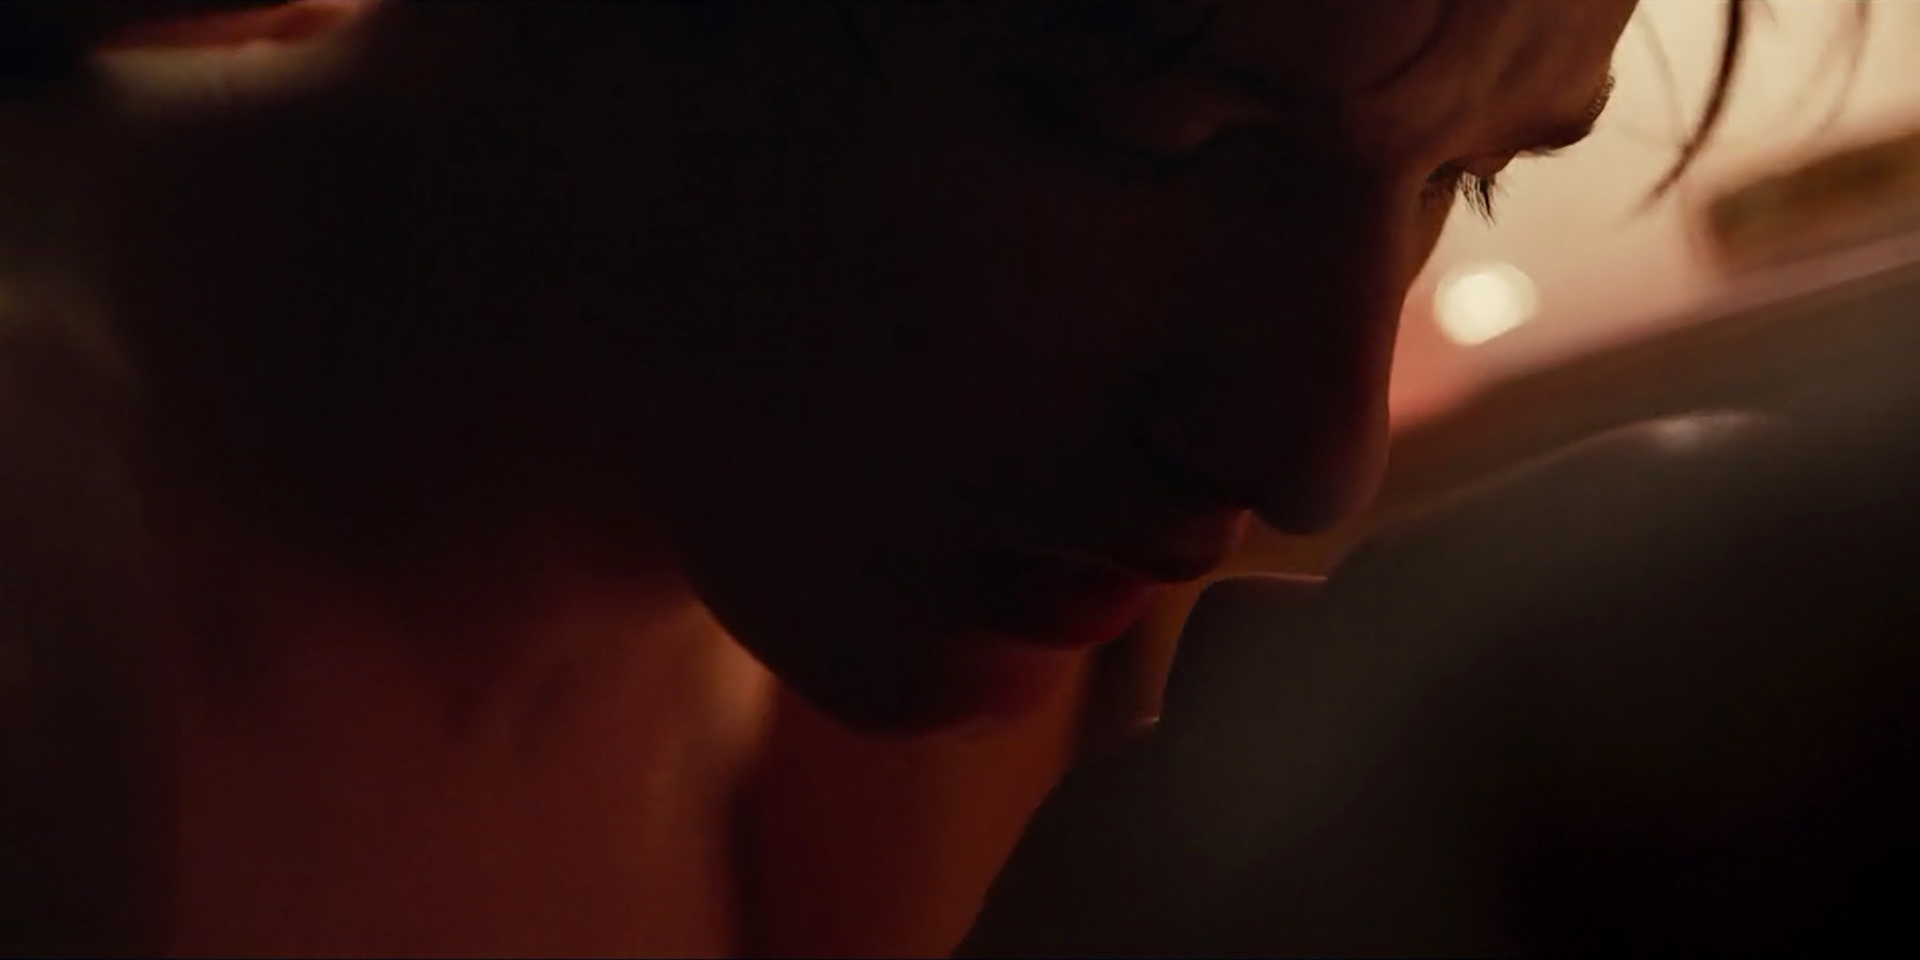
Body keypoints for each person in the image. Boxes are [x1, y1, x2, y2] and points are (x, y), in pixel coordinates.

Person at [0, 1, 1715, 954]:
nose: (1319, 456)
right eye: (1153, 133)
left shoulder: (925, 622)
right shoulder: (50, 626)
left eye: (1466, 179)